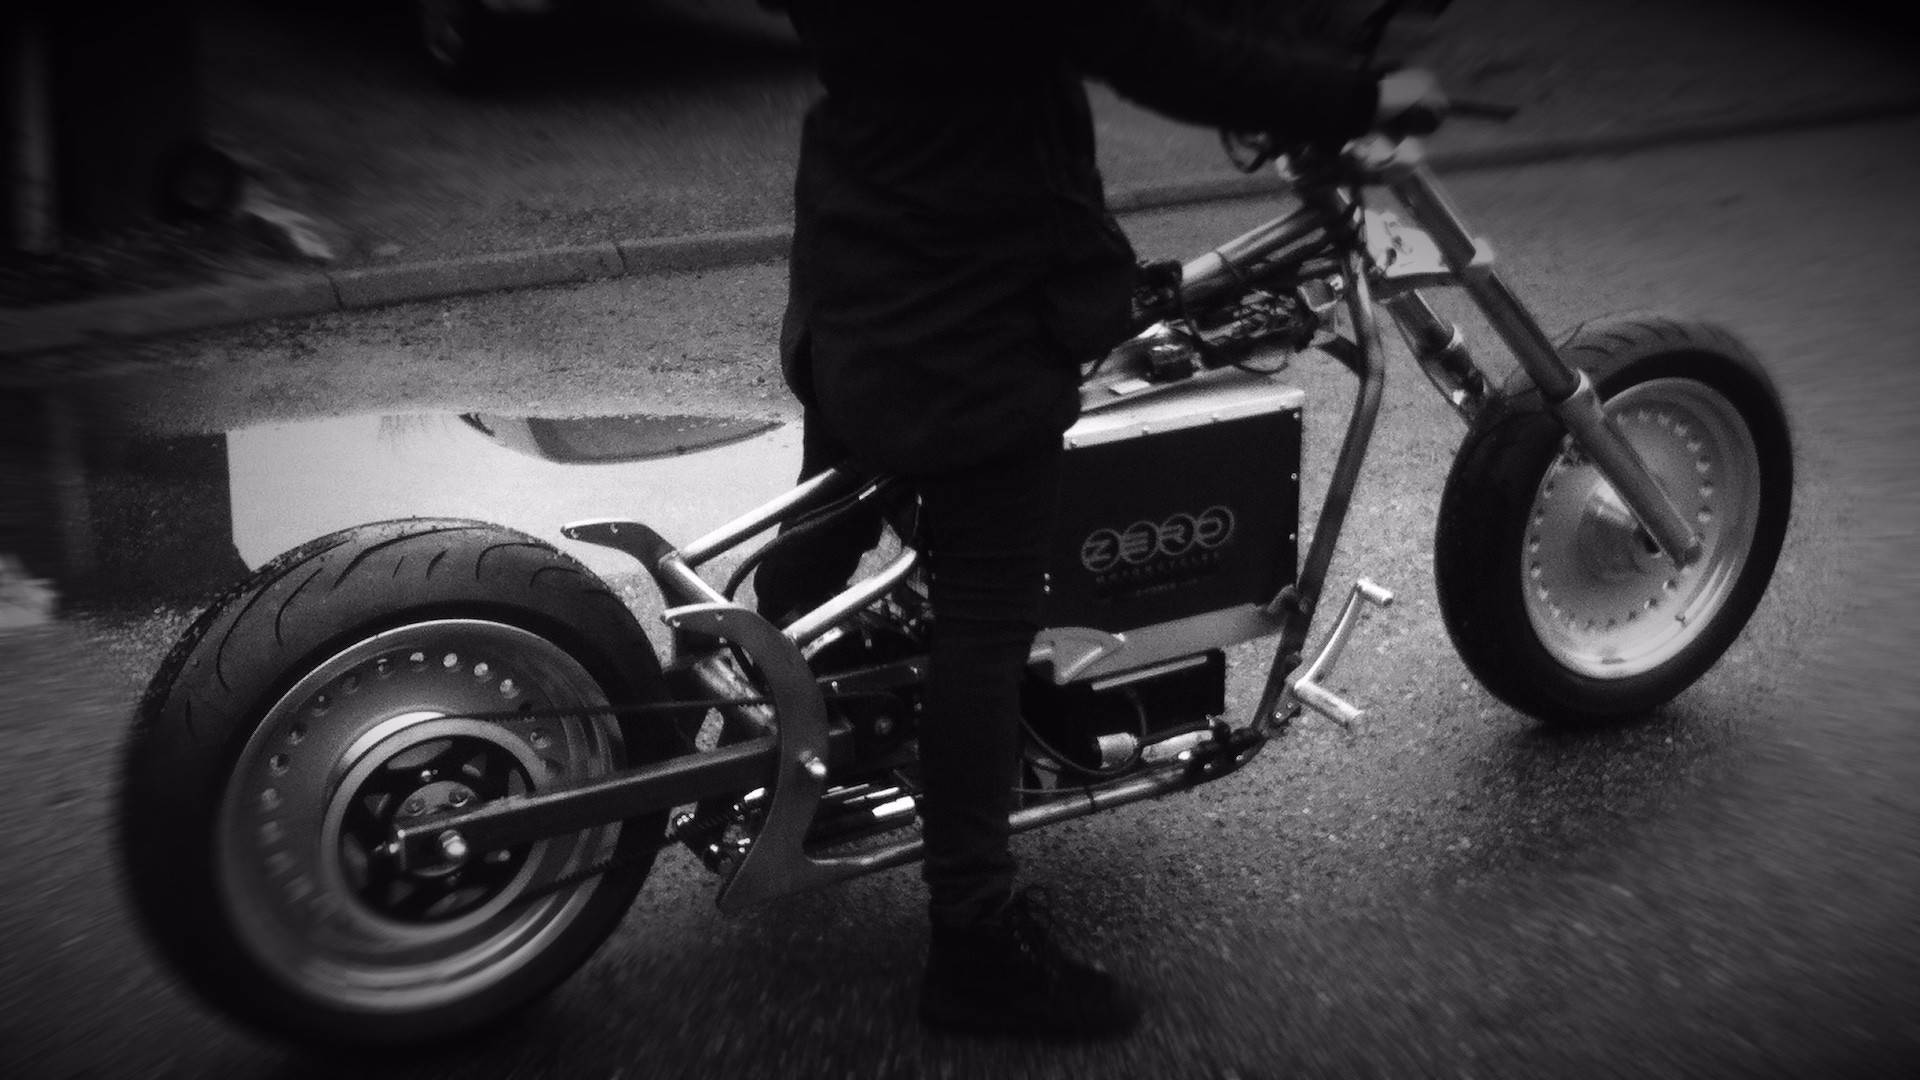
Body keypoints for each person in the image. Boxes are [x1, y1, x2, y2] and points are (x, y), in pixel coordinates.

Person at [753, 0, 1447, 1040]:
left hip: (859, 257)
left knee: (832, 517)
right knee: (987, 618)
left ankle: (751, 713)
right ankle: (976, 946)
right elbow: (1149, 43)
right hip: (964, 307)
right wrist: (1358, 94)